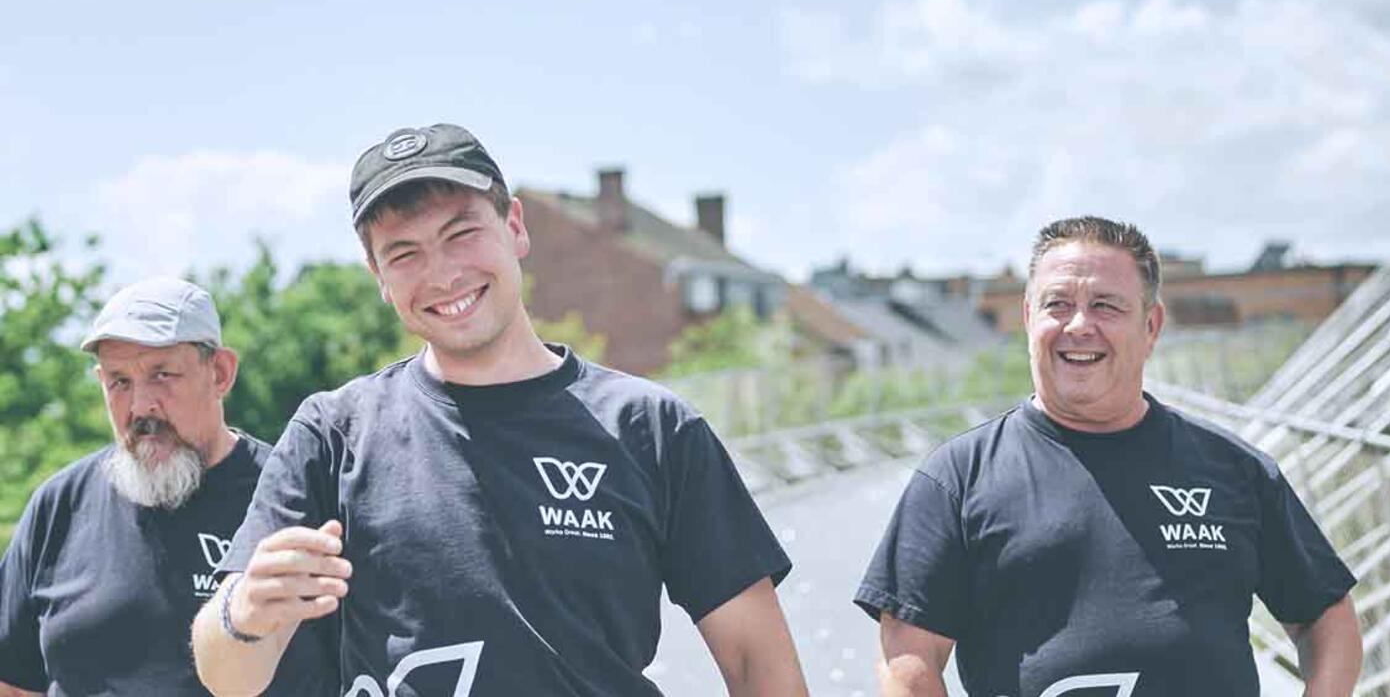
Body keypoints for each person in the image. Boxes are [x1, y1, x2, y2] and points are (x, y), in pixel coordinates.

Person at [190, 123, 806, 696]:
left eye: (462, 234)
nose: (442, 274)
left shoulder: (652, 428)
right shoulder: (334, 433)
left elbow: (758, 661)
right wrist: (243, 615)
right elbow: (228, 678)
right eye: (403, 254)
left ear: (514, 226)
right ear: (377, 274)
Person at [856, 216, 1363, 697]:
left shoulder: (1235, 469)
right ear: (1029, 318)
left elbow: (1326, 618)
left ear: (1151, 325)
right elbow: (909, 658)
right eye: (1057, 304)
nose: (1079, 325)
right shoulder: (958, 478)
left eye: (1106, 305)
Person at [0, 278, 313, 694]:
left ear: (220, 372)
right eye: (119, 382)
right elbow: (14, 681)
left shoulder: (290, 497)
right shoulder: (59, 505)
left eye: (161, 374)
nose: (141, 405)